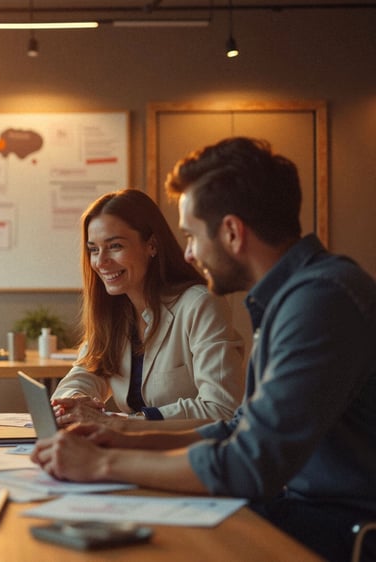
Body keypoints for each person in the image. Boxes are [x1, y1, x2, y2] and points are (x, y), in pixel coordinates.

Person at [32, 137, 376, 561]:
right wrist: (121, 437)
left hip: (342, 527)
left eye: (192, 235)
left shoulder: (322, 301)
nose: (190, 254)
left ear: (232, 232)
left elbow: (249, 463)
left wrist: (101, 465)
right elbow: (238, 429)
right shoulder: (294, 296)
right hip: (304, 509)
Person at [50, 189, 245, 427]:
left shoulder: (200, 304)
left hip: (185, 453)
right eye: (93, 249)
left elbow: (222, 408)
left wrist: (129, 423)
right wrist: (75, 403)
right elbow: (82, 376)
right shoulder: (114, 311)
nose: (101, 262)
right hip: (133, 449)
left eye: (115, 246)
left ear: (151, 245)